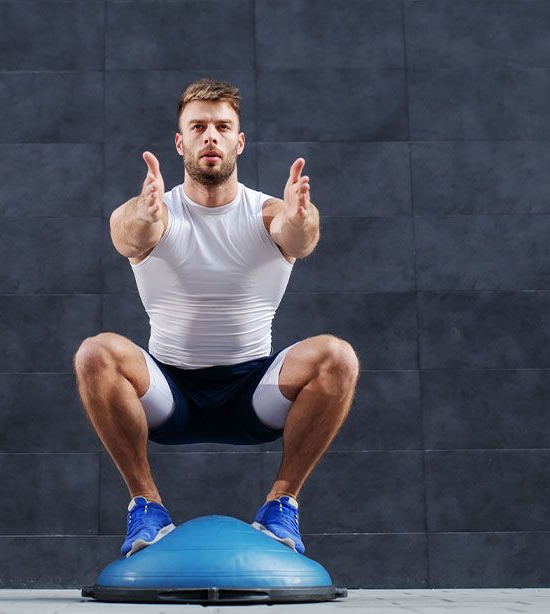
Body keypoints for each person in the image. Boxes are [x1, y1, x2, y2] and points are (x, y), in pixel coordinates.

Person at [74, 78, 359, 558]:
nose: (211, 136)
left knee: (338, 357)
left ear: (239, 142)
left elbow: (298, 237)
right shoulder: (155, 210)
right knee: (95, 353)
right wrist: (144, 215)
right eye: (199, 126)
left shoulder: (268, 209)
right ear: (180, 142)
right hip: (168, 395)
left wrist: (300, 218)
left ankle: (281, 505)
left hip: (253, 395)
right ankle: (146, 506)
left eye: (223, 127)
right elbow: (127, 233)